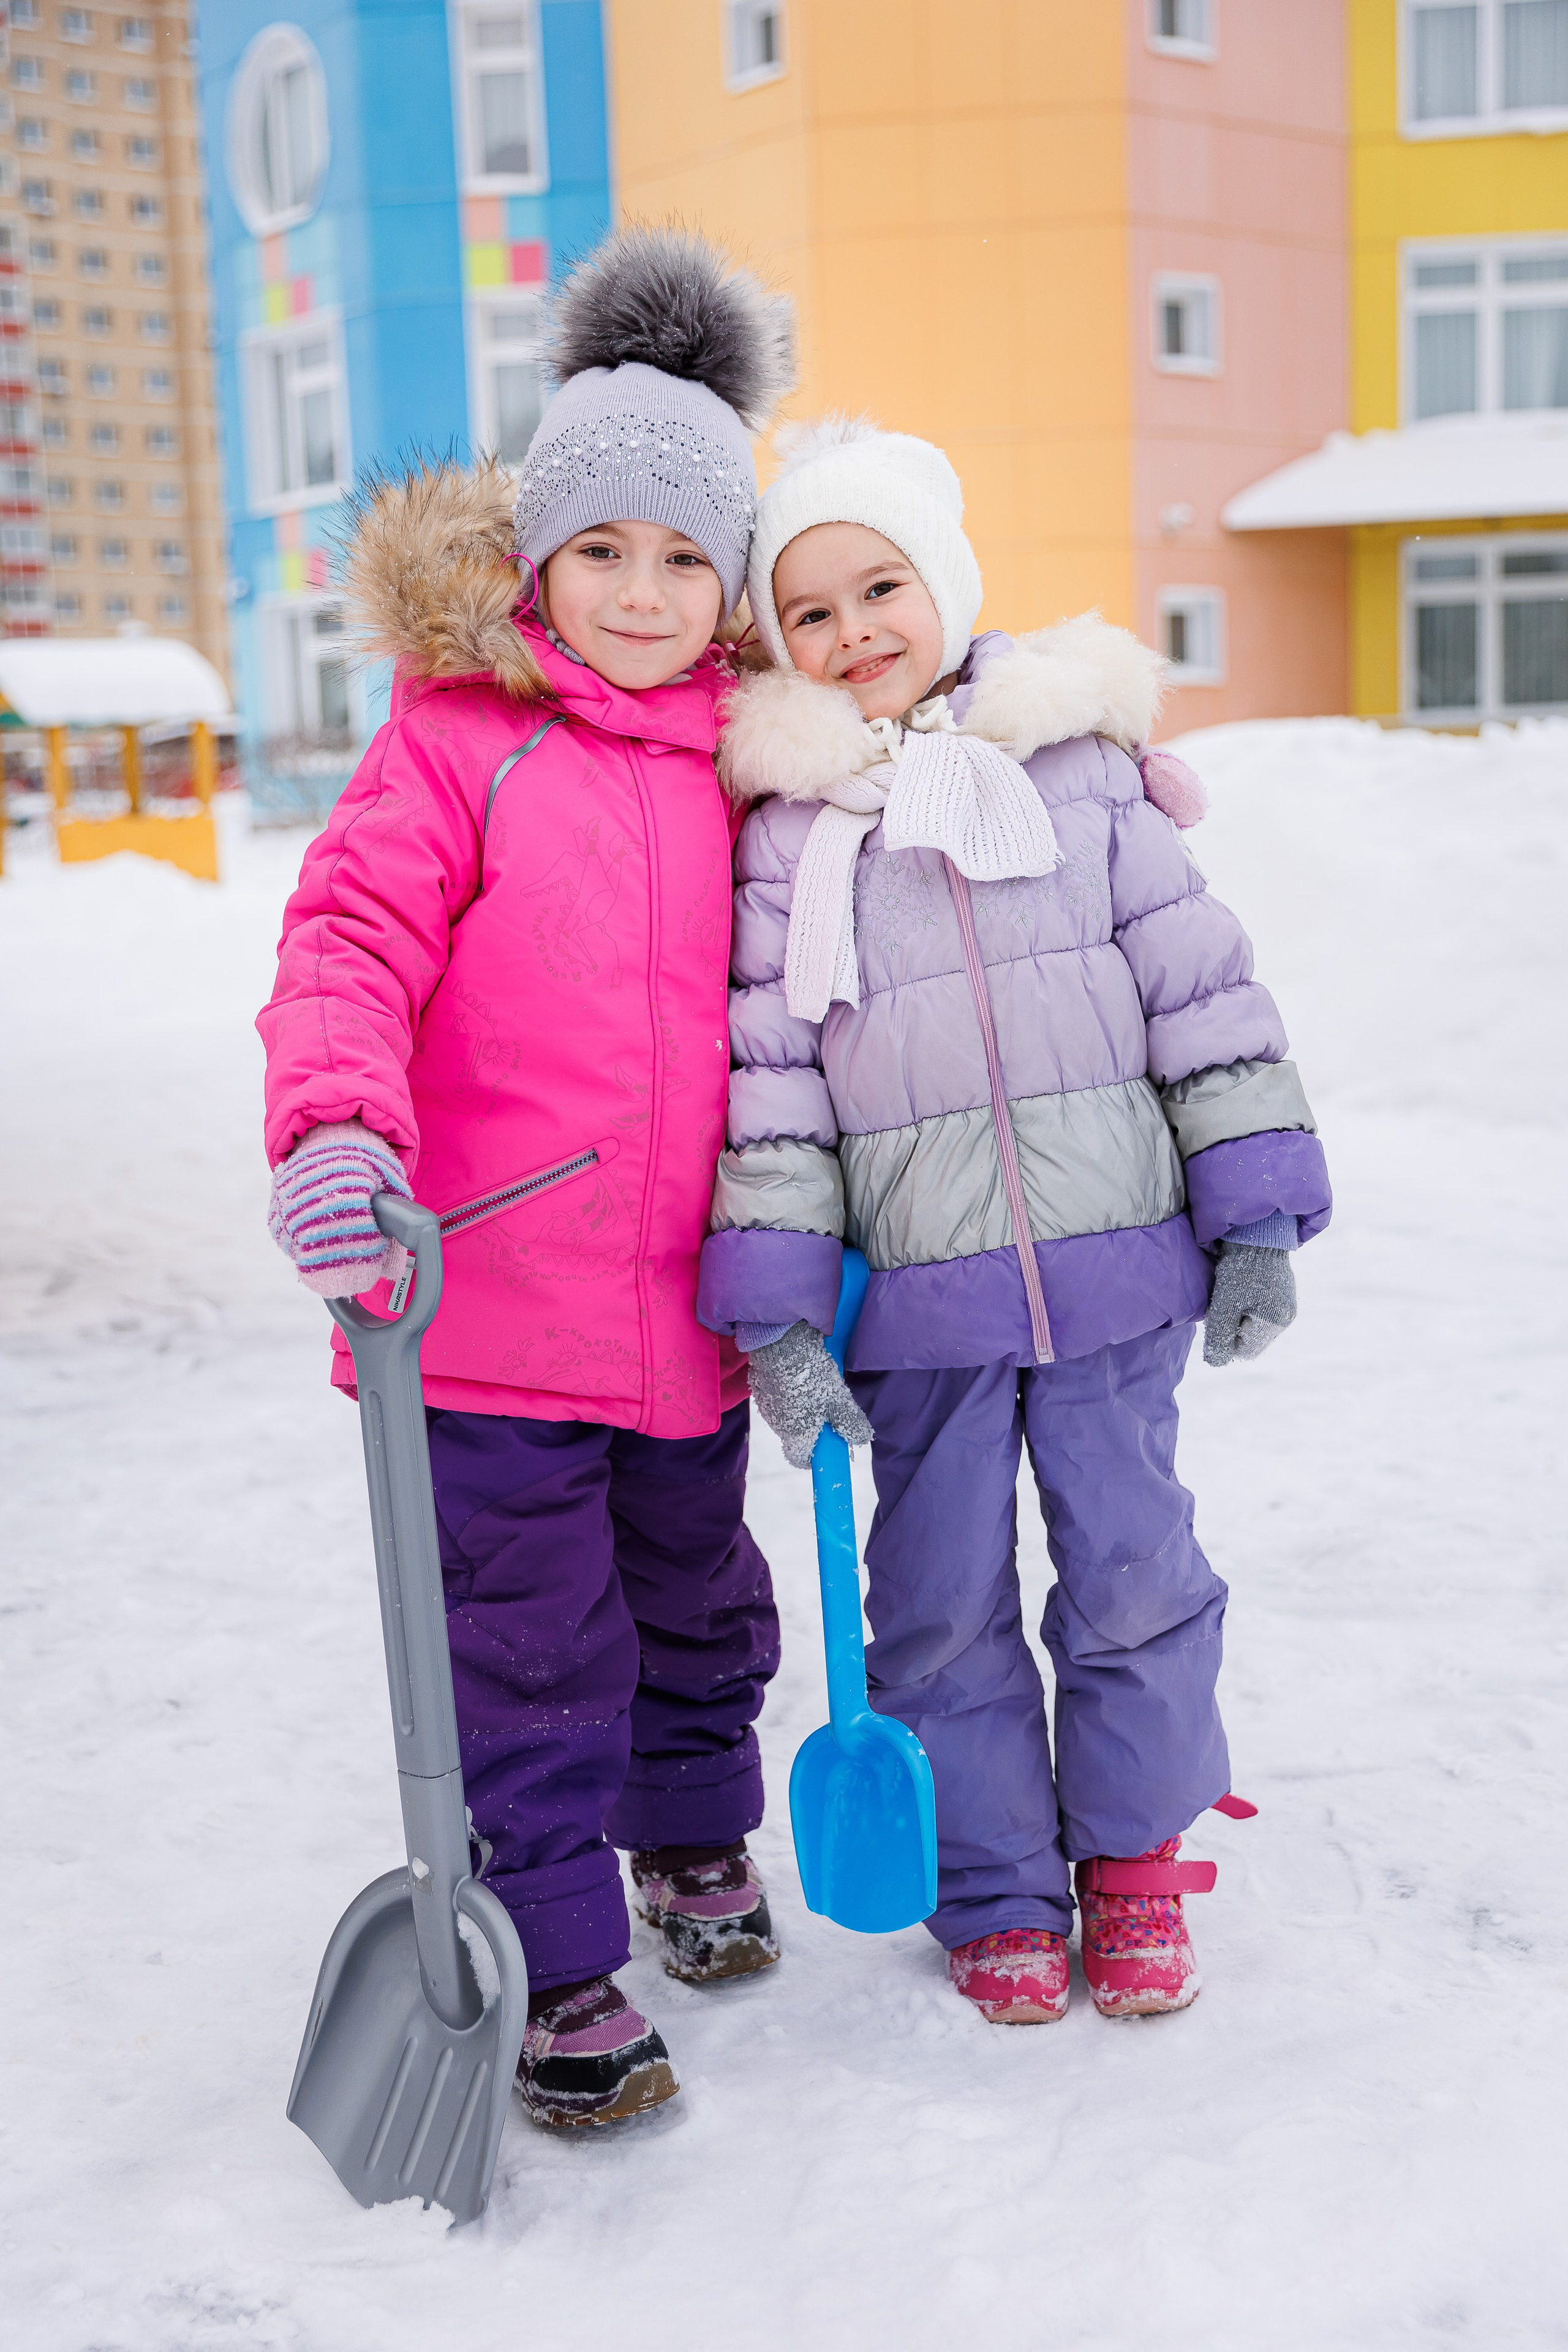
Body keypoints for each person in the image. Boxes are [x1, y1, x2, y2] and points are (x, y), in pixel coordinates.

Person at [698, 416, 1331, 2025]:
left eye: (880, 588)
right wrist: (778, 1307)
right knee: (936, 1608)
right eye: (812, 613)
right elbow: (771, 1082)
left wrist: (1252, 1207)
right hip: (917, 1309)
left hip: (1115, 1272)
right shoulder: (788, 839)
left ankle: (1130, 1855)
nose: (854, 636)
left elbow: (1203, 993)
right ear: (779, 643)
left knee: (1133, 1573)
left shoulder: (1080, 773)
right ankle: (992, 1885)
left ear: (950, 584)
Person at [260, 229, 796, 2125]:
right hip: (481, 1311)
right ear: (535, 563)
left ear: (727, 581)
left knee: (701, 1600)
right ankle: (558, 1953)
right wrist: (335, 1126)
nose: (643, 594)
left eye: (684, 558)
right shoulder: (460, 747)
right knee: (530, 1636)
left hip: (680, 1316)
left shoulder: (751, 760)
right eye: (604, 552)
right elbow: (347, 946)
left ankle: (694, 1840)